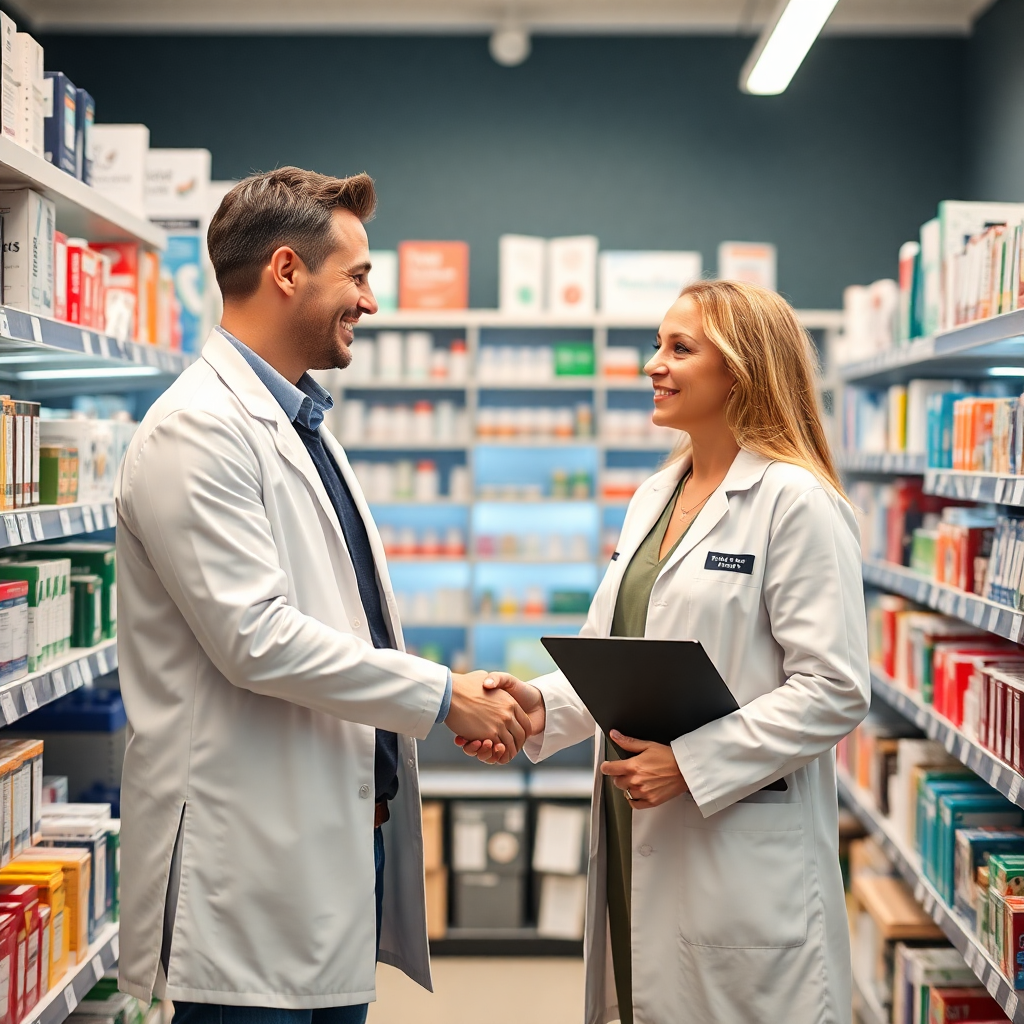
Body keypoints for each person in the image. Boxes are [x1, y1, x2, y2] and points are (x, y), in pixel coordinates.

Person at [115, 167, 530, 1022]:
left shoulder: (301, 424)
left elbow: (341, 619)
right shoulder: (197, 429)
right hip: (249, 871)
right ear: (287, 272)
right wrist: (445, 696)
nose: (370, 302)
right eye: (359, 276)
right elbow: (256, 638)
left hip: (327, 846)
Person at [460, 280, 870, 1024]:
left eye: (680, 348)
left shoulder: (796, 502)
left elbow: (834, 689)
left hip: (734, 848)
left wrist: (692, 764)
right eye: (657, 344)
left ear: (741, 372)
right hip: (635, 827)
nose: (655, 363)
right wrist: (535, 706)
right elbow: (610, 652)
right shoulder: (654, 494)